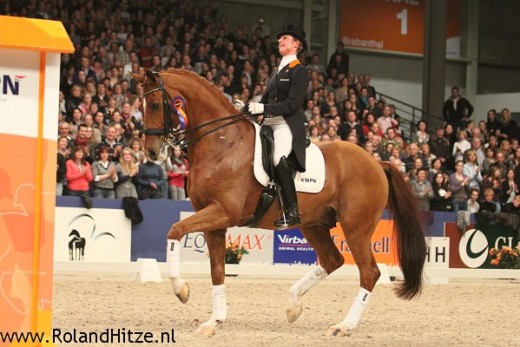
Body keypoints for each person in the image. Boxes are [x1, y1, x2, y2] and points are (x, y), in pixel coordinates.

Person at [243, 24, 309, 228]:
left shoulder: (299, 71)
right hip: (269, 123)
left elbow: (293, 104)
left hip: (286, 124)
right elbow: (266, 99)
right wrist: (247, 108)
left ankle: (292, 210)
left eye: (285, 39)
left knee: (277, 157)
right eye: (280, 39)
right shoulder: (276, 72)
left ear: (297, 45)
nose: (280, 41)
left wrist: (261, 107)